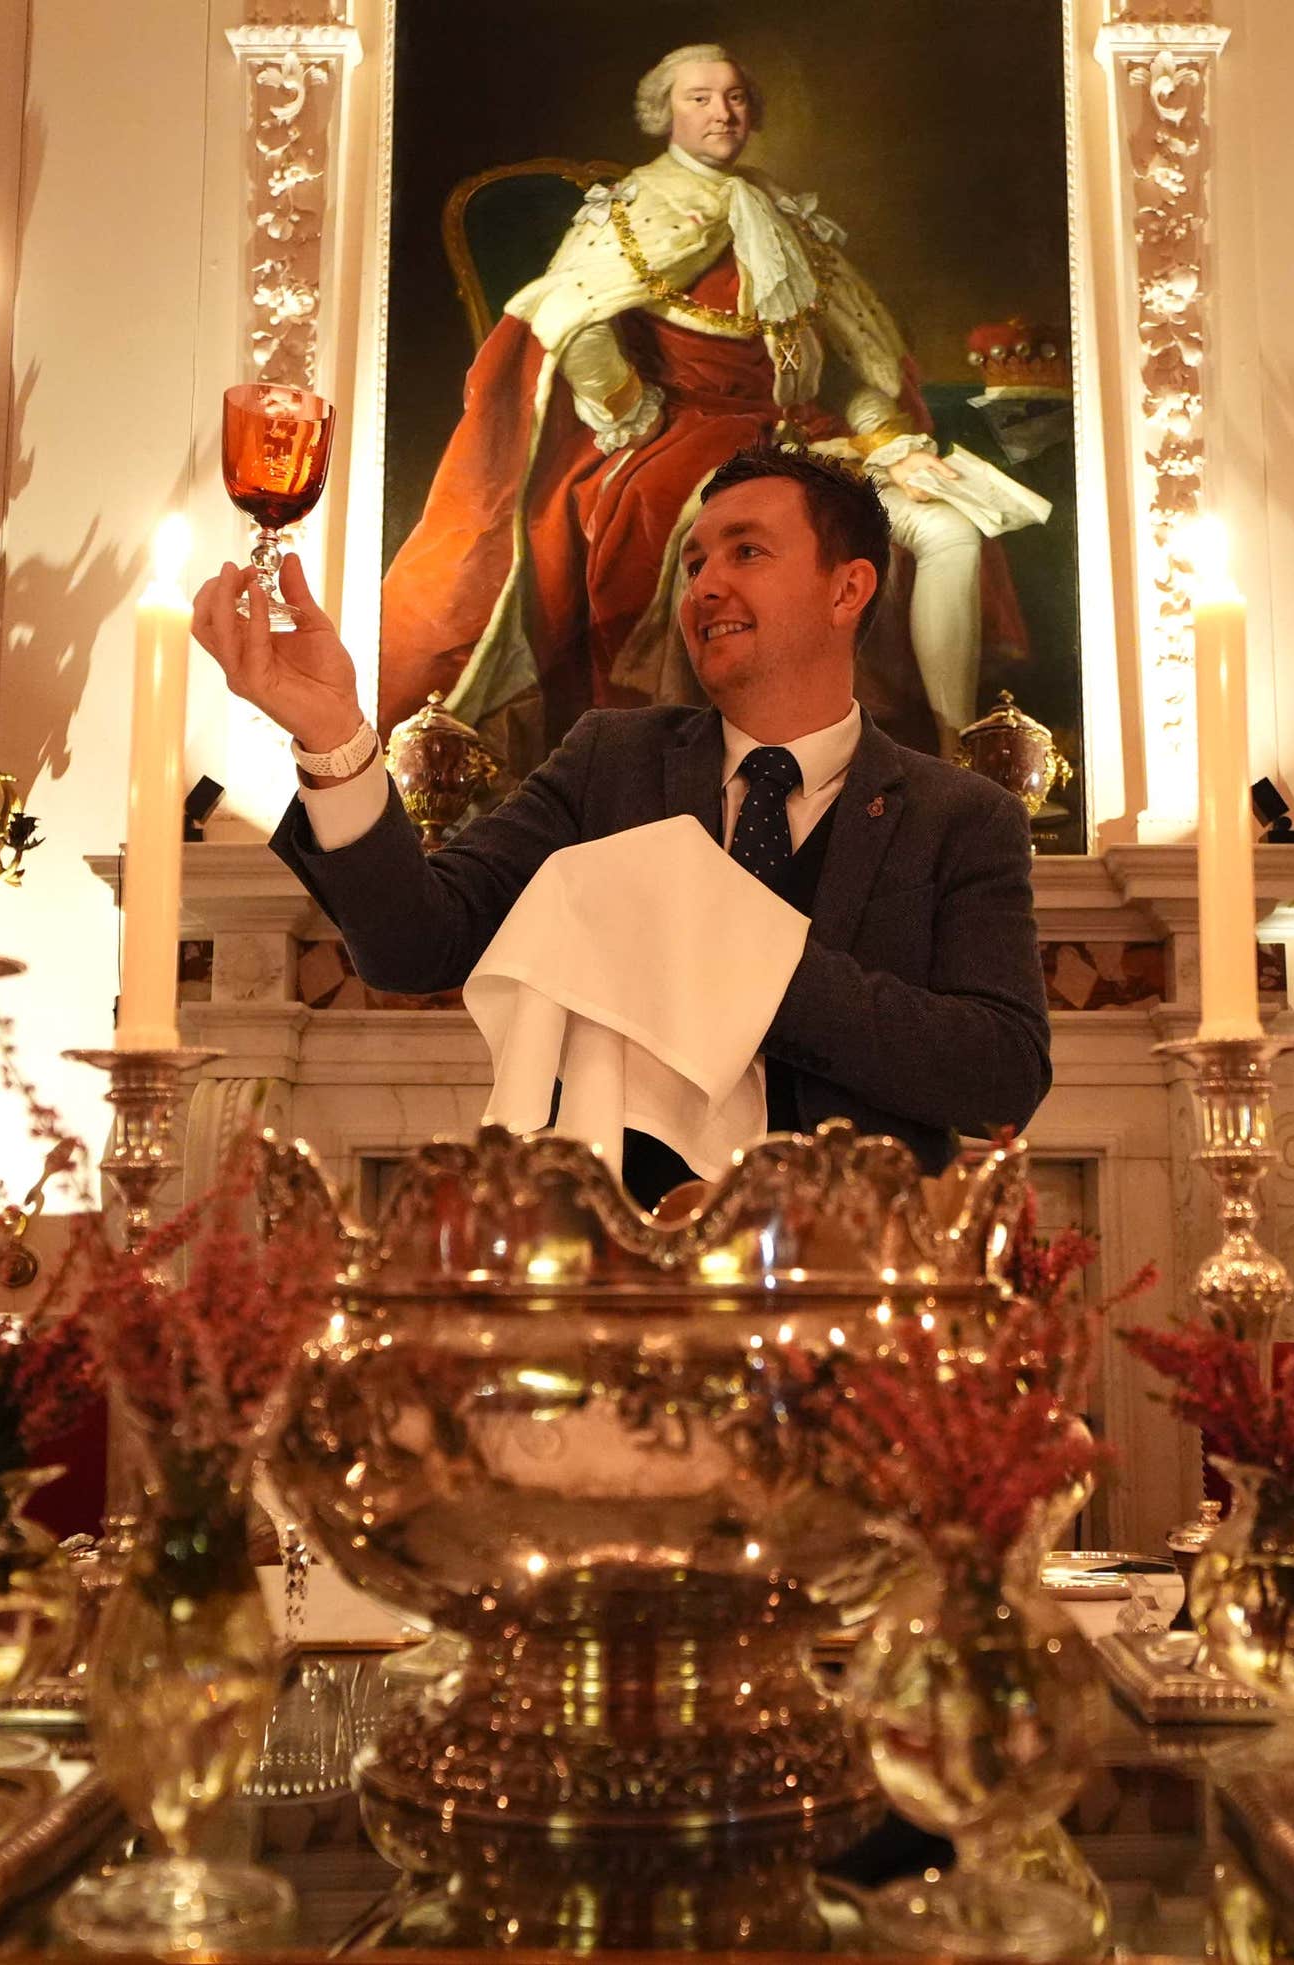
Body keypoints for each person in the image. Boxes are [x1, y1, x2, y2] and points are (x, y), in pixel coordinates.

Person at [196, 444, 1051, 1196]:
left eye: (746, 551)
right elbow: (414, 945)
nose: (705, 585)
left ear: (848, 589)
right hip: (614, 1286)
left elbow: (1000, 1074)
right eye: (693, 564)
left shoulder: (961, 816)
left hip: (857, 1301)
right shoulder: (612, 760)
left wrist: (731, 956)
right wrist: (333, 735)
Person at [377, 42, 1043, 763]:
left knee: (950, 531)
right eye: (700, 98)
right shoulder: (632, 207)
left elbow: (853, 362)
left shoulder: (780, 211)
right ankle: (723, 761)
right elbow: (569, 315)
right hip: (685, 439)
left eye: (734, 98)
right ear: (664, 113)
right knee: (754, 550)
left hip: (805, 435)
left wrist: (889, 440)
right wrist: (629, 406)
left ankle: (948, 754)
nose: (721, 113)